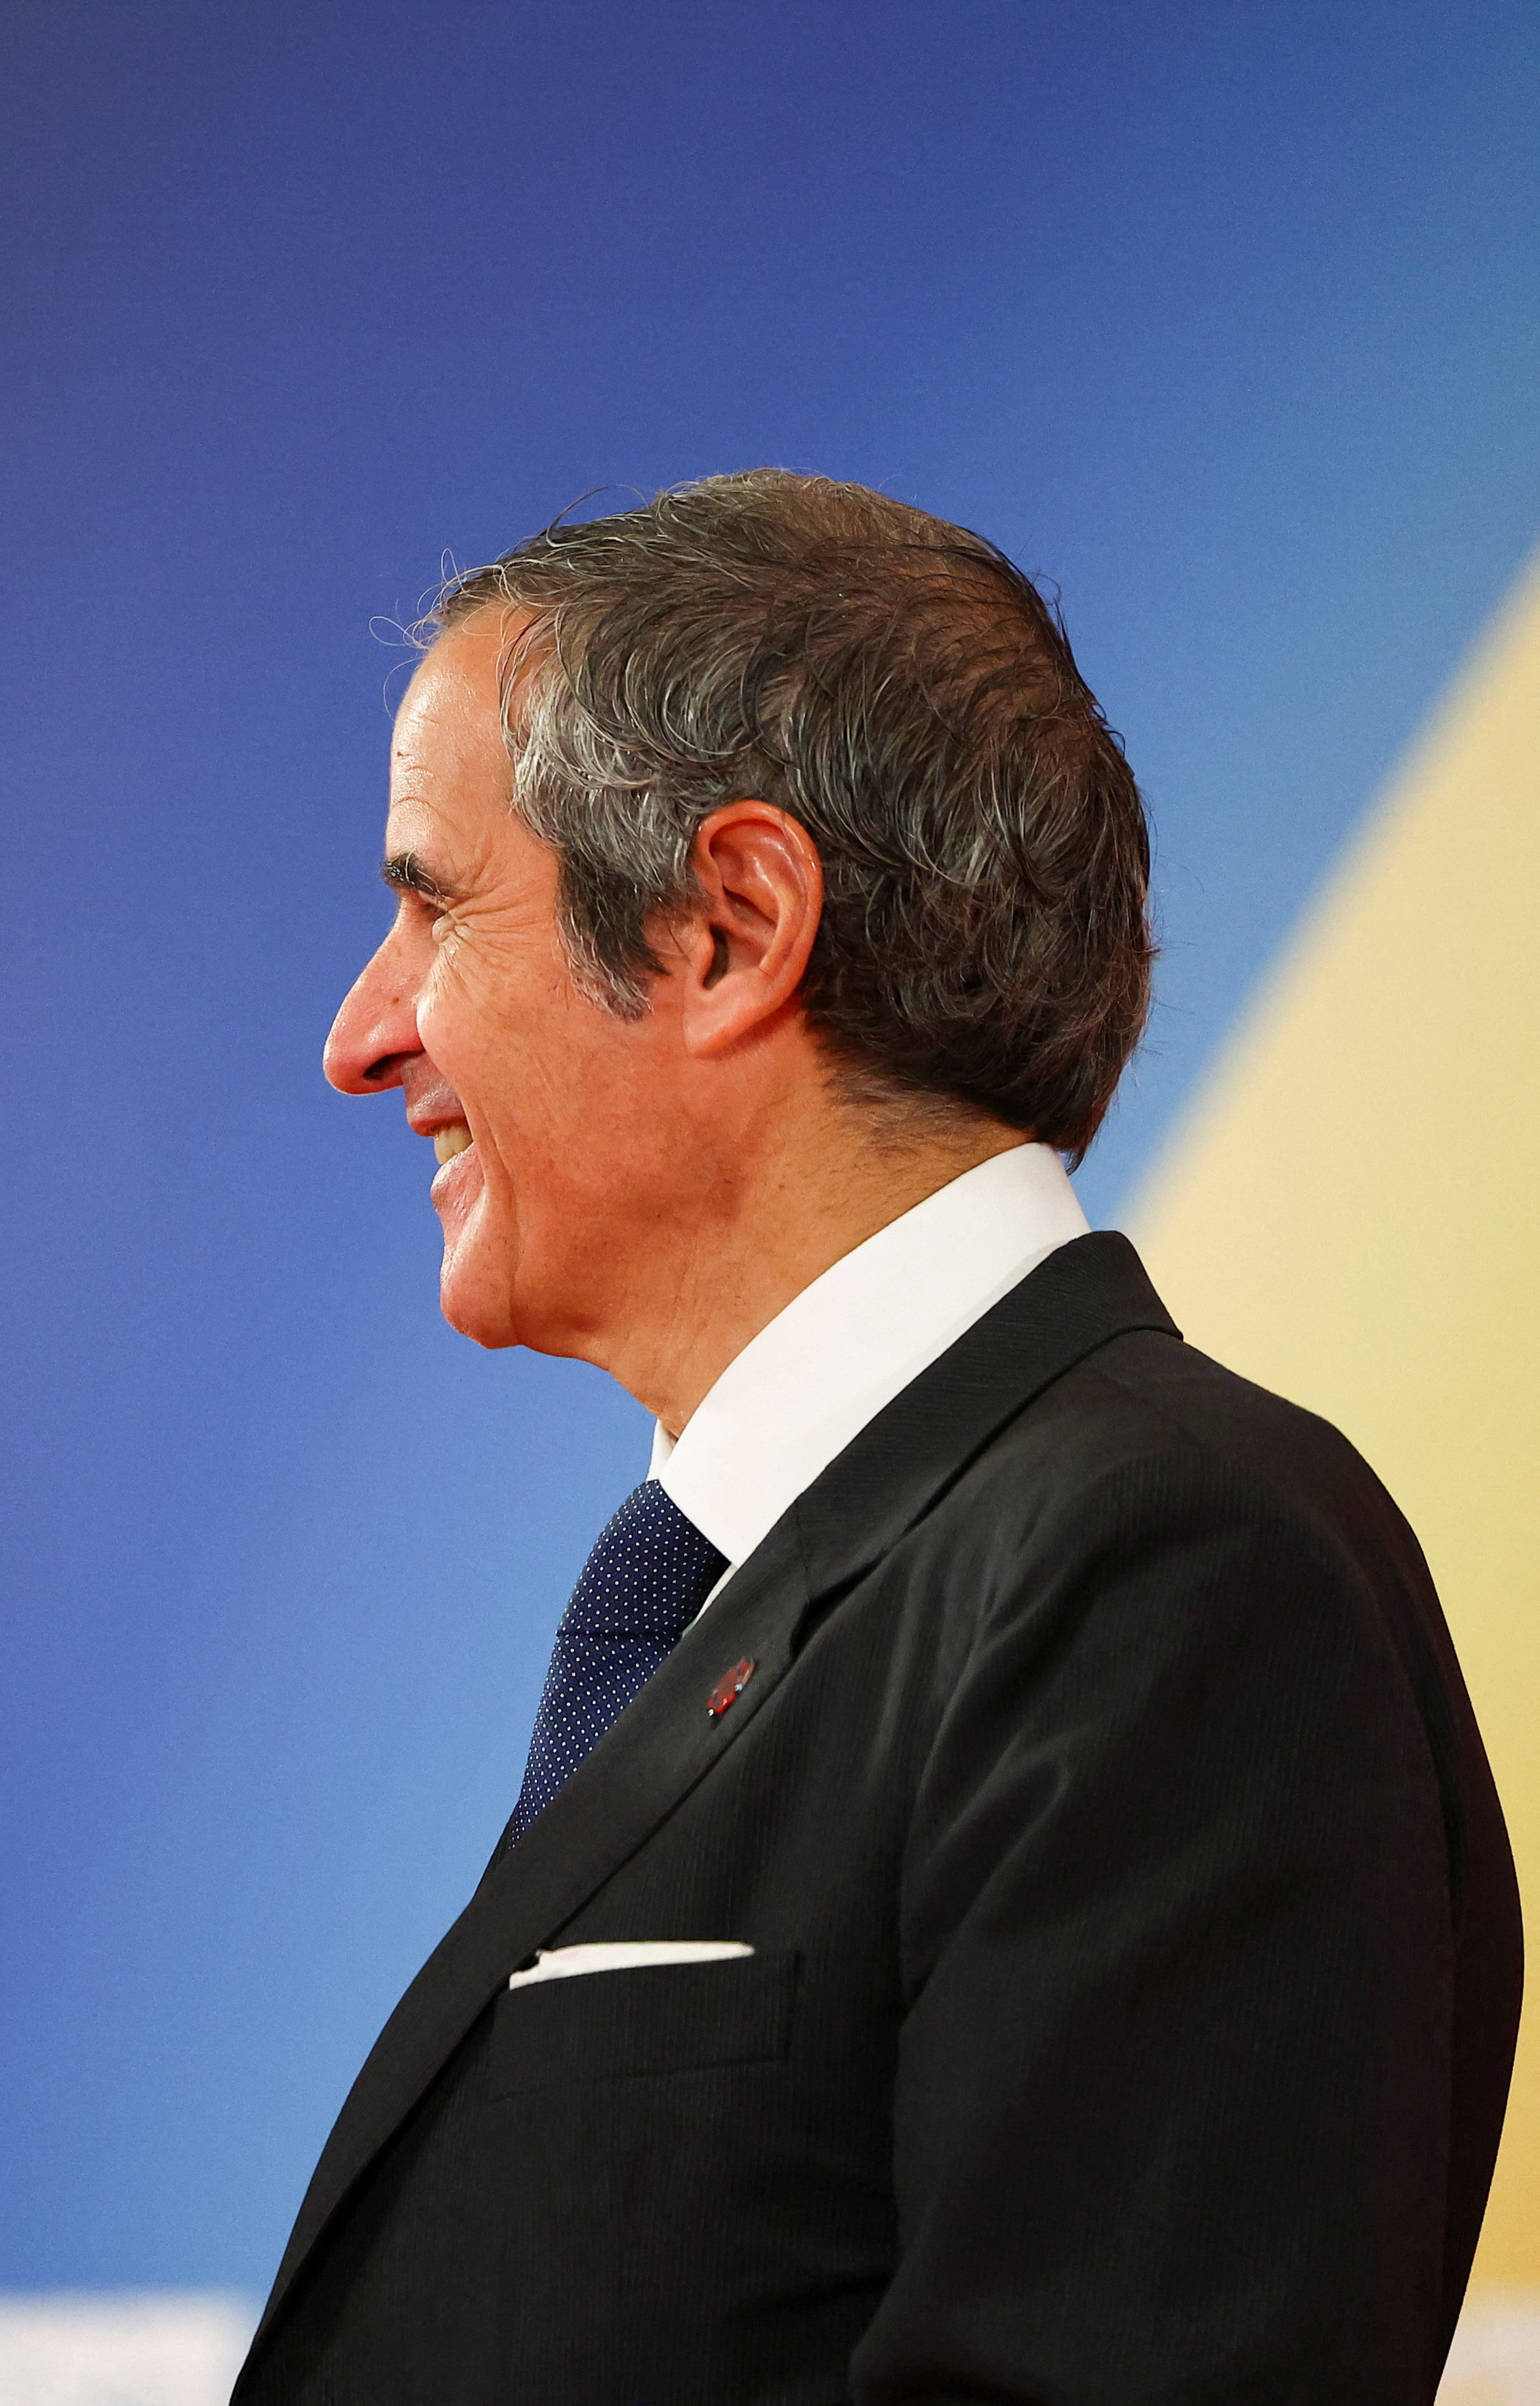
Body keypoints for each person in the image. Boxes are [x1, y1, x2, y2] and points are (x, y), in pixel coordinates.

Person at [240, 472, 1514, 2403]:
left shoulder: (1163, 1570)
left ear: (729, 926)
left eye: (429, 902)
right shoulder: (789, 1583)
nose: (360, 1030)